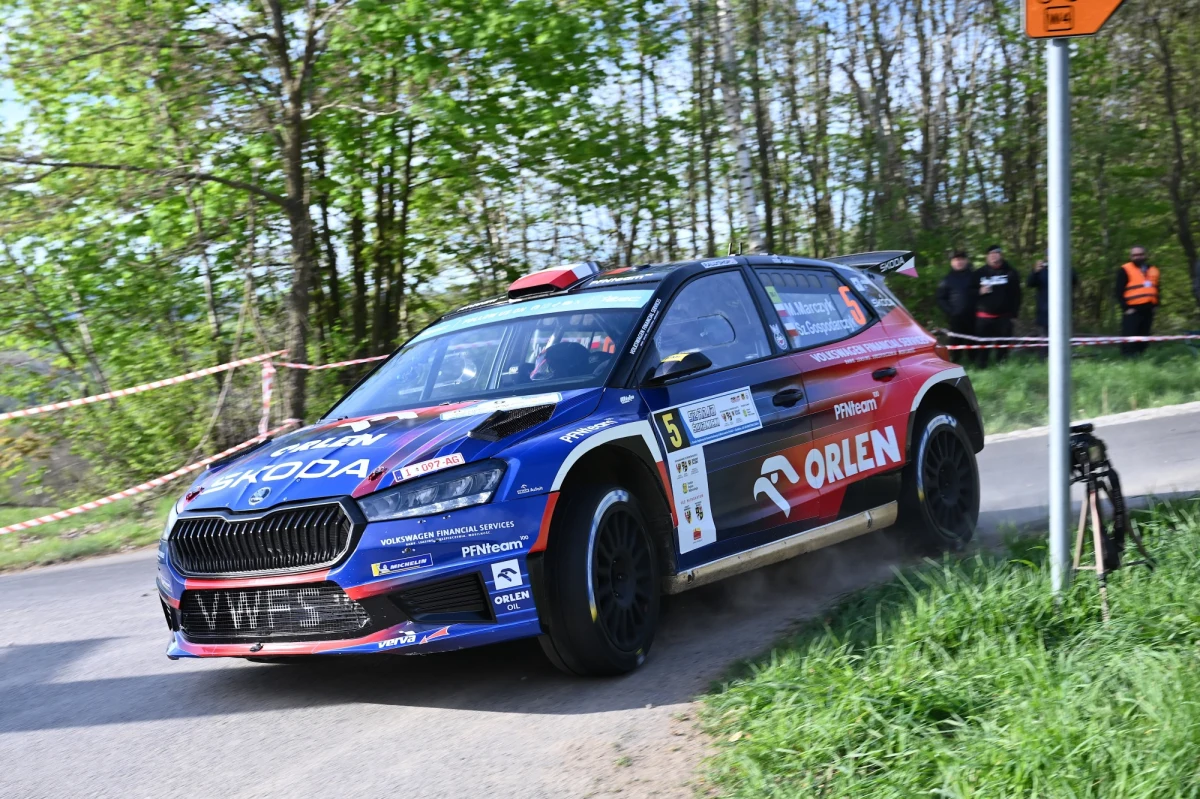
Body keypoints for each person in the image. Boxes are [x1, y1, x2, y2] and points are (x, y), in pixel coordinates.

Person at [972, 245, 1022, 367]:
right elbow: (969, 293)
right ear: (987, 257)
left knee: (1003, 345)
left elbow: (1017, 294)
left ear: (1001, 255)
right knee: (983, 346)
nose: (994, 256)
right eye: (991, 254)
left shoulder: (1011, 272)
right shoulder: (979, 273)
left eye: (996, 253)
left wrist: (1014, 314)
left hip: (1004, 317)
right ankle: (982, 367)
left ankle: (1002, 367)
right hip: (984, 317)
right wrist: (979, 291)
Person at [1026, 257, 1079, 356]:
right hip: (1044, 312)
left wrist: (1066, 267)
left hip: (1063, 312)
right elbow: (1029, 283)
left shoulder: (1066, 268)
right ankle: (1044, 362)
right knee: (1044, 341)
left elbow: (1074, 280)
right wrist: (1035, 271)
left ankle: (1063, 360)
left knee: (1063, 338)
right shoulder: (1041, 270)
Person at [1114, 245, 1159, 356]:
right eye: (1135, 255)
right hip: (1132, 309)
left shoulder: (1153, 269)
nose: (1137, 257)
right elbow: (1118, 291)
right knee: (1130, 334)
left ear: (1145, 255)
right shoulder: (1125, 269)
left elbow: (1157, 288)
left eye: (1140, 254)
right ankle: (1127, 358)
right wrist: (1125, 308)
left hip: (1148, 308)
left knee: (1144, 334)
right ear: (1131, 256)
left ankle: (1141, 356)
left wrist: (1156, 305)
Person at [935, 251, 977, 362]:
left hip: (974, 316)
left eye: (961, 259)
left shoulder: (975, 276)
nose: (959, 262)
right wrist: (950, 311)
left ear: (966, 261)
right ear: (952, 262)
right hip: (955, 318)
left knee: (973, 341)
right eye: (956, 260)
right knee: (955, 341)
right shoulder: (947, 279)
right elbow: (940, 298)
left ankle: (975, 363)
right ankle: (955, 363)